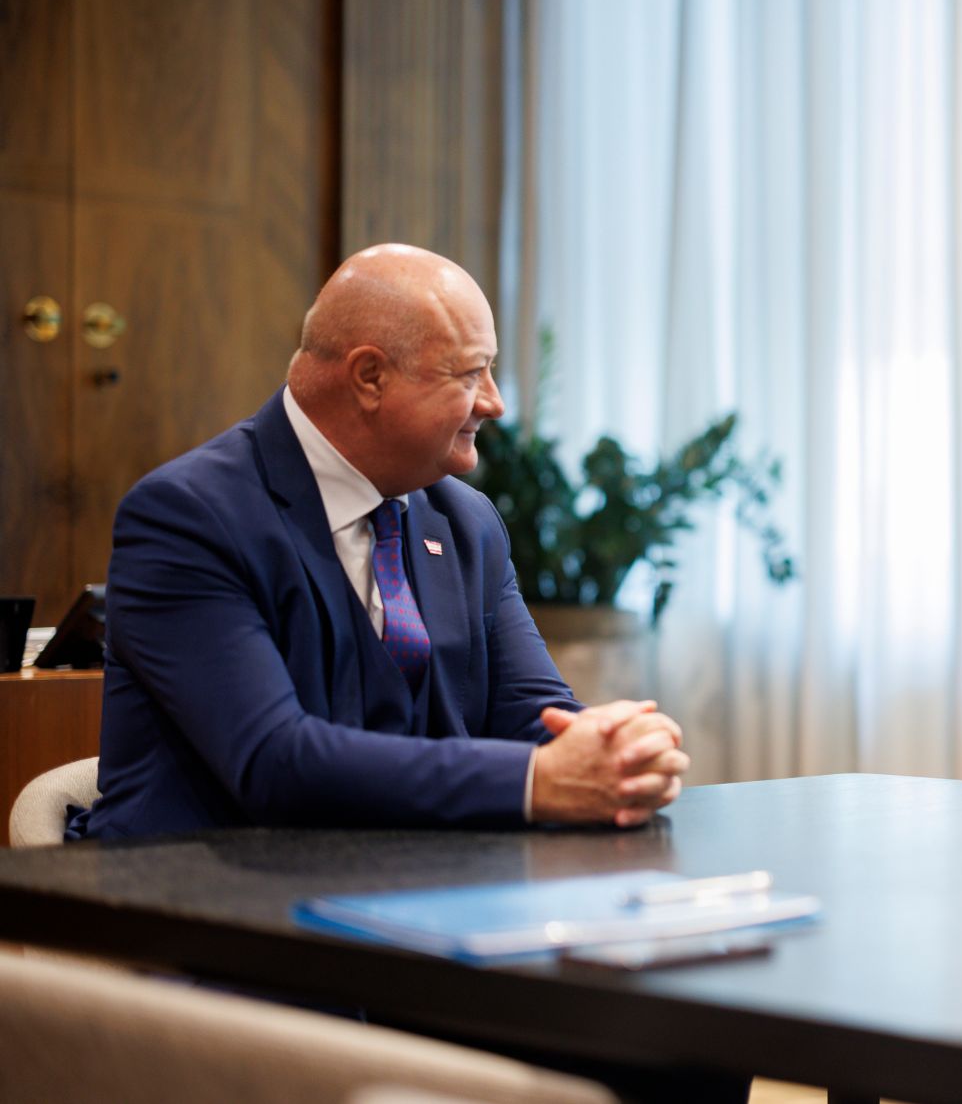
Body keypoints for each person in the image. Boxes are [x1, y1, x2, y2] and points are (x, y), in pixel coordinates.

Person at [69, 244, 689, 840]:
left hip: (412, 892)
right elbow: (273, 761)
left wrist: (614, 753)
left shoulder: (466, 520)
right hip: (201, 900)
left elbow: (533, 712)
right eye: (471, 373)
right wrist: (538, 781)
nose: (495, 403)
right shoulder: (188, 517)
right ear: (369, 376)